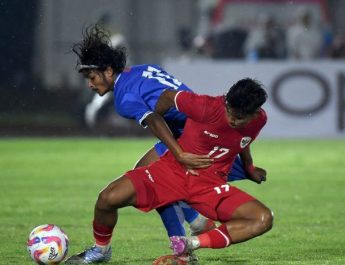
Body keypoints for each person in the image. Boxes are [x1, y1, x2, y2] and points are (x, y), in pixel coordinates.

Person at [69, 24, 262, 264]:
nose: (89, 83)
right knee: (147, 177)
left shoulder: (124, 98)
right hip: (198, 133)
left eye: (92, 76)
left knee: (147, 185)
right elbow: (171, 101)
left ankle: (179, 249)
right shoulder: (145, 69)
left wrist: (179, 153)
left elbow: (153, 117)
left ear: (108, 71)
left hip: (194, 139)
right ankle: (194, 223)